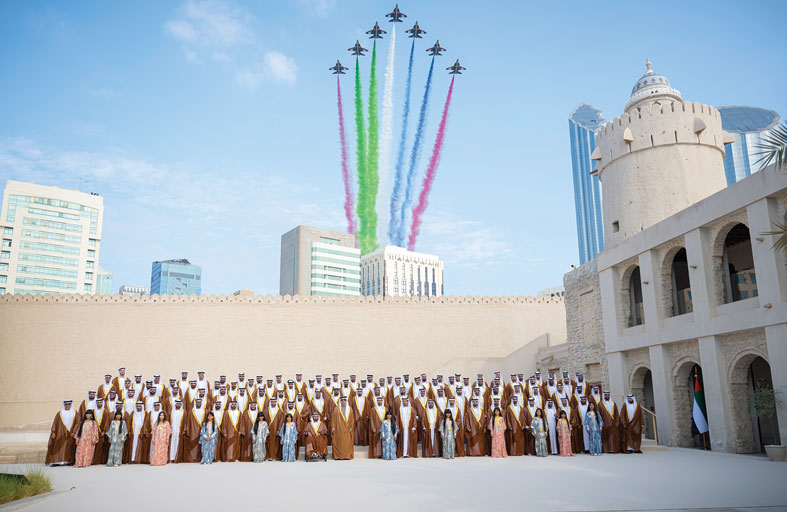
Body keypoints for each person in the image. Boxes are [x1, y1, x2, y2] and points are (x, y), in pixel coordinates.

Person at [46, 400, 76, 466]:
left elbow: (77, 423)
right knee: (57, 447)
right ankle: (56, 462)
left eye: (69, 404)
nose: (67, 405)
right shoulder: (59, 413)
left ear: (71, 405)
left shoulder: (75, 413)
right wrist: (53, 432)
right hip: (60, 433)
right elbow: (55, 423)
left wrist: (74, 432)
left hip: (70, 434)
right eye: (66, 404)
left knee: (69, 448)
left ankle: (68, 461)